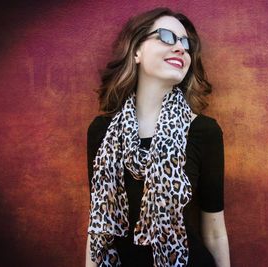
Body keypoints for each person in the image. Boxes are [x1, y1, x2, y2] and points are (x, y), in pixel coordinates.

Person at [85, 7, 230, 267]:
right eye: (166, 36)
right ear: (136, 51)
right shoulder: (101, 132)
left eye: (185, 43)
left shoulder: (204, 132)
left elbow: (215, 231)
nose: (181, 48)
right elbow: (97, 224)